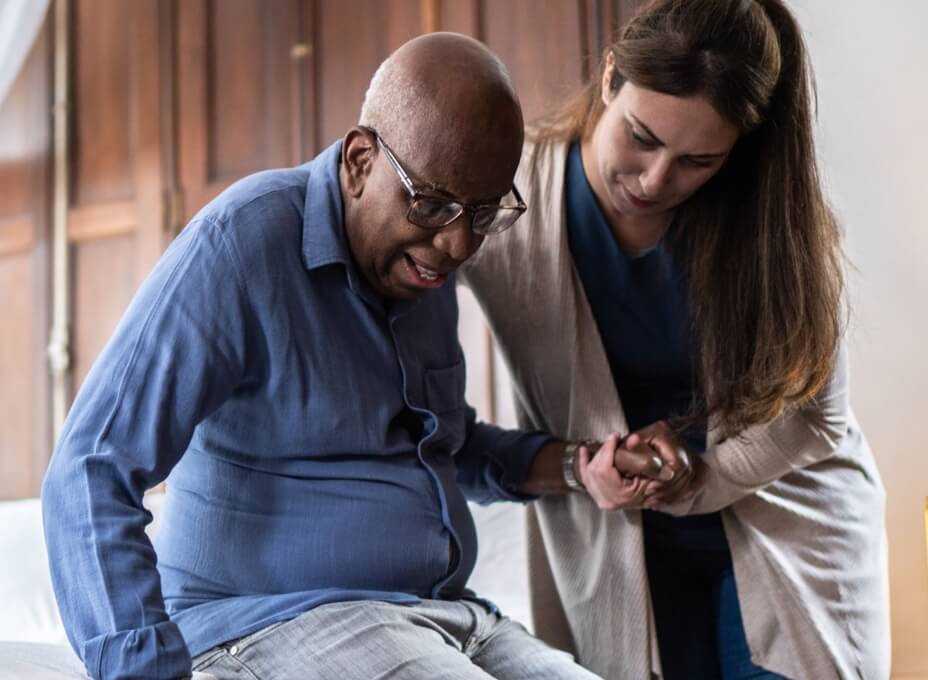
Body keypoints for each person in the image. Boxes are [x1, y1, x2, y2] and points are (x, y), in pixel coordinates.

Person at [41, 32, 670, 680]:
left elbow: (444, 448)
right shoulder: (241, 246)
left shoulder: (420, 270)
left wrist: (576, 465)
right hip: (270, 620)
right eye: (433, 205)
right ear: (360, 161)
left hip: (446, 614)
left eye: (483, 213)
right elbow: (90, 467)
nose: (457, 244)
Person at [459, 1, 890, 679]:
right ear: (609, 78)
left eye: (698, 161)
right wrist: (572, 463)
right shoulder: (510, 197)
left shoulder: (770, 219)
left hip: (780, 516)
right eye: (640, 136)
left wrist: (703, 477)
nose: (656, 180)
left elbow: (818, 414)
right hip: (618, 536)